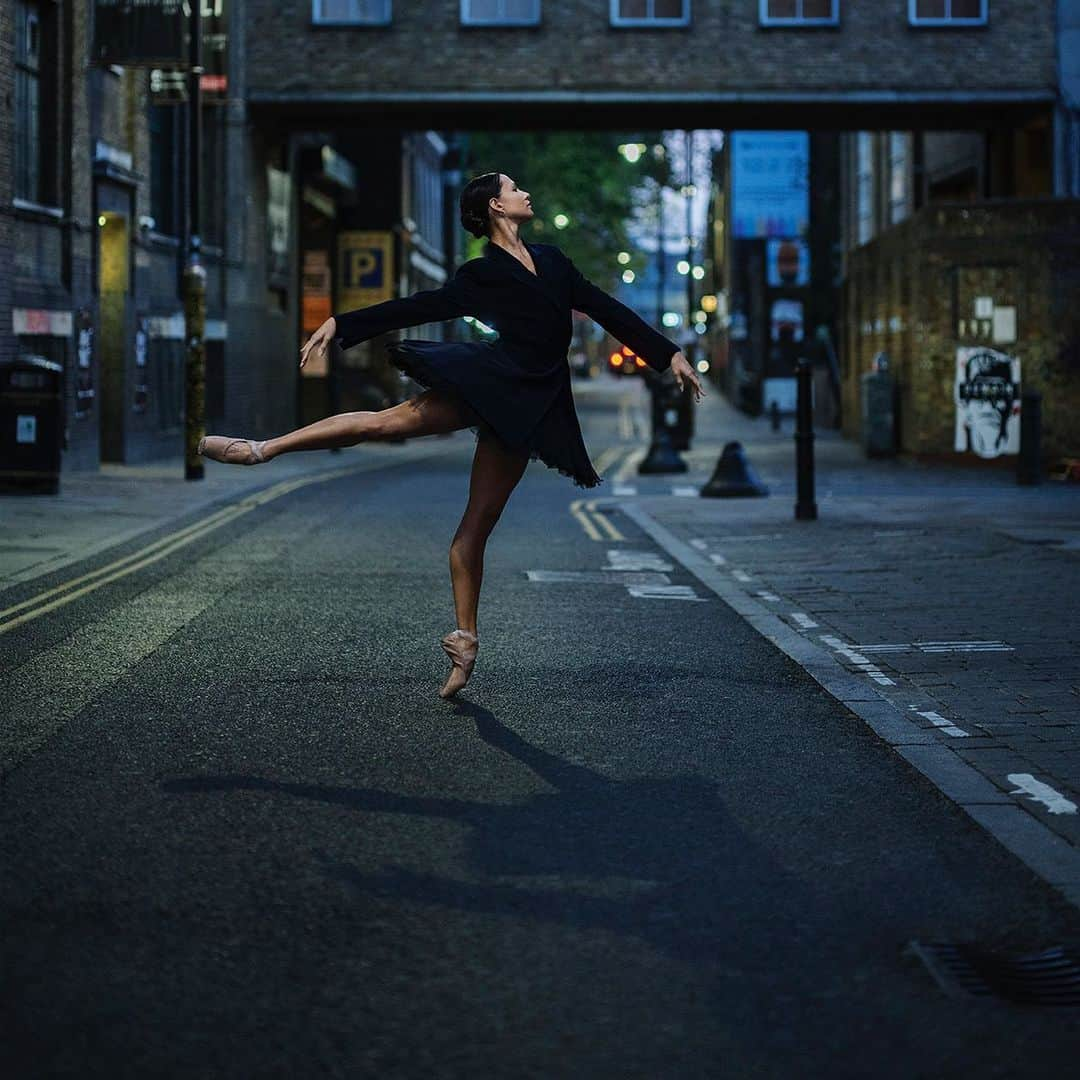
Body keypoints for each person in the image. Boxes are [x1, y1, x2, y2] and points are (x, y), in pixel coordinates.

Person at [198, 172, 705, 699]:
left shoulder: (554, 262)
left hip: (532, 404)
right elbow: (420, 306)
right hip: (488, 381)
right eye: (514, 189)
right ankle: (262, 449)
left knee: (476, 527)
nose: (525, 192)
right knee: (383, 423)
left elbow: (607, 310)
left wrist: (668, 355)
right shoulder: (481, 274)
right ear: (495, 207)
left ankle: (465, 642)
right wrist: (342, 324)